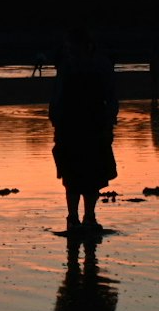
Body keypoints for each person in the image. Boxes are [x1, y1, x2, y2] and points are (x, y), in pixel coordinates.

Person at [48, 28, 118, 234]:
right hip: (71, 125)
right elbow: (57, 97)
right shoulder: (68, 66)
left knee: (92, 175)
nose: (69, 50)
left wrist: (109, 123)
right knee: (72, 175)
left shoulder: (100, 65)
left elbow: (111, 97)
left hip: (92, 124)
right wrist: (55, 122)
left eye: (71, 46)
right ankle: (74, 217)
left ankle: (88, 216)